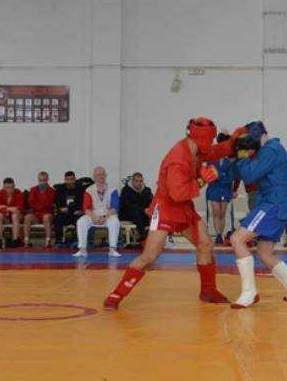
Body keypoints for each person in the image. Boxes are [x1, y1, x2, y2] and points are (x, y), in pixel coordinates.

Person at [102, 117, 246, 310]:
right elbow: (177, 193)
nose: (211, 142)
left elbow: (216, 150)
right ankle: (116, 294)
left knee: (205, 244)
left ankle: (208, 290)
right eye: (210, 139)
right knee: (149, 256)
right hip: (166, 208)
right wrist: (202, 181)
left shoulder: (197, 149)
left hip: (184, 207)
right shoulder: (178, 159)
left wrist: (235, 139)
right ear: (201, 138)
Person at [228, 121, 287, 309]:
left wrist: (241, 153)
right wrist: (234, 154)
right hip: (277, 205)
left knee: (237, 239)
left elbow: (249, 176)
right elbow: (240, 172)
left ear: (262, 135)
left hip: (273, 204)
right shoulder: (270, 149)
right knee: (264, 253)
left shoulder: (270, 150)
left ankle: (249, 292)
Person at [74, 166, 121, 257]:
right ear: (94, 177)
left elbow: (115, 207)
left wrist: (104, 217)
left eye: (103, 174)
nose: (101, 176)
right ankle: (82, 249)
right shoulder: (88, 190)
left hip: (108, 214)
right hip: (93, 214)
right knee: (81, 221)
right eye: (98, 175)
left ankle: (112, 249)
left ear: (106, 176)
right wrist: (94, 217)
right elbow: (86, 208)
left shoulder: (113, 189)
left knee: (115, 222)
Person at [206, 132, 236, 245]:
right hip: (214, 189)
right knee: (216, 212)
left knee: (222, 213)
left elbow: (230, 178)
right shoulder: (211, 160)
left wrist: (219, 175)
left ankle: (221, 234)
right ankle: (218, 235)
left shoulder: (229, 162)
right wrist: (221, 175)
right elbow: (209, 175)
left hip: (225, 189)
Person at [119, 172, 153, 245]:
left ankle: (152, 236)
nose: (139, 183)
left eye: (141, 181)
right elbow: (127, 206)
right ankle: (143, 236)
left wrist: (149, 209)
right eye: (136, 181)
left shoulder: (147, 190)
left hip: (143, 213)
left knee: (153, 214)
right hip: (127, 214)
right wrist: (143, 209)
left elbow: (151, 203)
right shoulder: (126, 190)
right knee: (136, 213)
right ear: (132, 181)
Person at [24, 171, 56, 247]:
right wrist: (41, 205)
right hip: (36, 214)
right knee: (27, 217)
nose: (42, 182)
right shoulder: (33, 189)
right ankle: (26, 241)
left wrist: (43, 193)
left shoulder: (51, 190)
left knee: (46, 217)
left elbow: (49, 203)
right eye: (40, 180)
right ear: (38, 180)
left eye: (44, 180)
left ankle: (48, 241)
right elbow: (31, 202)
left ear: (47, 180)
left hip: (47, 213)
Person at [53, 171, 83, 246]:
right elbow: (57, 203)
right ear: (65, 180)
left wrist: (78, 210)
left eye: (71, 179)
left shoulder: (80, 189)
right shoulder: (60, 189)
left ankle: (77, 240)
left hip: (75, 213)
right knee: (57, 218)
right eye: (67, 179)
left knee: (79, 218)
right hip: (64, 213)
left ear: (75, 179)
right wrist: (60, 209)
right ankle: (59, 240)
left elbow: (80, 203)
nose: (69, 182)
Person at [0, 177, 24, 248]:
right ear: (4, 187)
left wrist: (5, 207)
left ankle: (15, 241)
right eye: (7, 188)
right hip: (5, 216)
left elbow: (20, 208)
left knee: (15, 215)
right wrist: (10, 209)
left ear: (14, 186)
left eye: (12, 187)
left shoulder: (18, 192)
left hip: (17, 216)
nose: (10, 190)